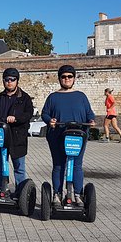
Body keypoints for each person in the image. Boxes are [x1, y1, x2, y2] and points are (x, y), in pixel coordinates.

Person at [41, 65, 95, 206]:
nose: (67, 79)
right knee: (58, 165)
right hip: (57, 135)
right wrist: (50, 120)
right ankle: (57, 194)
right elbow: (45, 113)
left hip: (78, 135)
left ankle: (77, 194)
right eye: (64, 76)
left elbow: (89, 113)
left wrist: (91, 120)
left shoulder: (81, 96)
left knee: (77, 165)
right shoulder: (53, 97)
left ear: (74, 78)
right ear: (59, 78)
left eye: (69, 76)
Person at [0, 68, 34, 190]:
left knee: (19, 167)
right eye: (7, 80)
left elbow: (28, 114)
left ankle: (21, 192)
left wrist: (15, 118)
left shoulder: (25, 98)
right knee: (0, 166)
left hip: (17, 138)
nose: (9, 82)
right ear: (3, 81)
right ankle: (2, 189)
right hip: (0, 137)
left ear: (17, 81)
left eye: (12, 79)